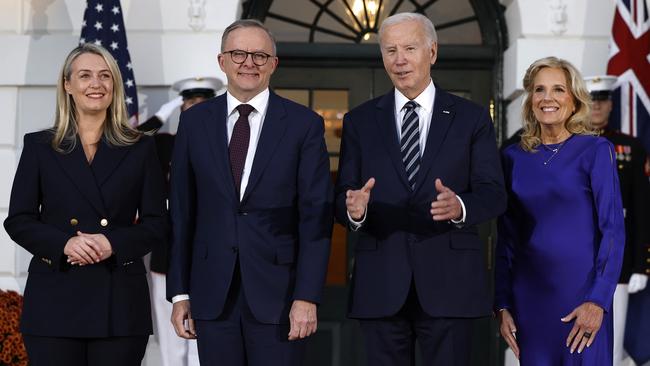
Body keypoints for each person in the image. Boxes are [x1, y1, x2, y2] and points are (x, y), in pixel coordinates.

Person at [334, 12, 506, 366]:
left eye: (410, 48)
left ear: (433, 52)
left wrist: (460, 206)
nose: (399, 60)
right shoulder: (360, 121)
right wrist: (355, 209)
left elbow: (493, 193)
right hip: (381, 284)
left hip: (451, 284)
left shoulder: (471, 118)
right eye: (390, 50)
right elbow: (344, 198)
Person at [166, 19, 333, 366]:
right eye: (238, 53)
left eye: (259, 55)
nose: (249, 63)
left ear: (274, 64)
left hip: (281, 298)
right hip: (212, 296)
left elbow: (315, 218)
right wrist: (180, 293)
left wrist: (307, 296)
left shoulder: (304, 125)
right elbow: (182, 213)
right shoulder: (194, 124)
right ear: (222, 61)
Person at [3, 43, 167, 366]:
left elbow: (157, 223)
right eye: (85, 75)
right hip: (55, 300)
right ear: (67, 85)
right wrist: (64, 244)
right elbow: (19, 219)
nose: (96, 84)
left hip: (118, 303)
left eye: (105, 76)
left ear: (115, 86)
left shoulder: (141, 149)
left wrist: (112, 243)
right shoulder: (39, 146)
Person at [495, 57, 625, 365]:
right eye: (539, 89)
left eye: (558, 89)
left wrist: (598, 299)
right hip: (530, 301)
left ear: (574, 98)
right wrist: (502, 304)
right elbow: (506, 239)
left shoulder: (595, 150)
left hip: (583, 297)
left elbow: (613, 230)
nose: (547, 98)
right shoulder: (513, 157)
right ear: (530, 99)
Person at [137, 76, 222, 366]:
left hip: (212, 256)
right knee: (172, 343)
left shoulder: (225, 145)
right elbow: (132, 141)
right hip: (166, 256)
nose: (196, 112)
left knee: (206, 342)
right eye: (190, 105)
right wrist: (166, 110)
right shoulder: (163, 145)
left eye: (203, 106)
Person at [584, 75, 650, 365]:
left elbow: (642, 209)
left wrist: (641, 265)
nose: (597, 107)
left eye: (603, 101)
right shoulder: (571, 143)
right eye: (592, 100)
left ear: (611, 105)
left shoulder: (630, 148)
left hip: (618, 258)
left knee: (611, 343)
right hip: (577, 255)